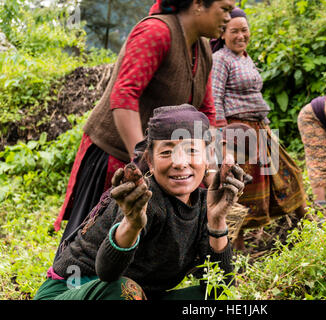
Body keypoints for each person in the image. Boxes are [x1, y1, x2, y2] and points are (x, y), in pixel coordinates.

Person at [53, 0, 236, 260]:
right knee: (90, 241)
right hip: (115, 155)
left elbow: (207, 114)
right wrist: (141, 162)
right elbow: (124, 96)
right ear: (197, 4)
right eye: (225, 9)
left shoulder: (203, 48)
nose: (228, 18)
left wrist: (212, 168)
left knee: (138, 245)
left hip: (164, 159)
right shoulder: (156, 32)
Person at [34, 104, 250, 300]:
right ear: (150, 161)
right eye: (167, 152)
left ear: (208, 156)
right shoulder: (142, 198)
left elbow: (220, 287)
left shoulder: (205, 203)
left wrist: (217, 219)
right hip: (74, 291)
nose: (180, 163)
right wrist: (132, 223)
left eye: (192, 151)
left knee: (217, 299)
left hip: (141, 295)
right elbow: (108, 275)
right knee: (124, 290)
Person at [211, 8, 307, 250]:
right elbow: (214, 98)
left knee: (289, 174)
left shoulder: (245, 57)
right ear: (223, 34)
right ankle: (233, 248)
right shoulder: (221, 59)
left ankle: (306, 225)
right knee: (236, 189)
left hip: (259, 129)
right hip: (237, 133)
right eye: (234, 31)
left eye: (244, 30)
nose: (241, 35)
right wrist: (223, 140)